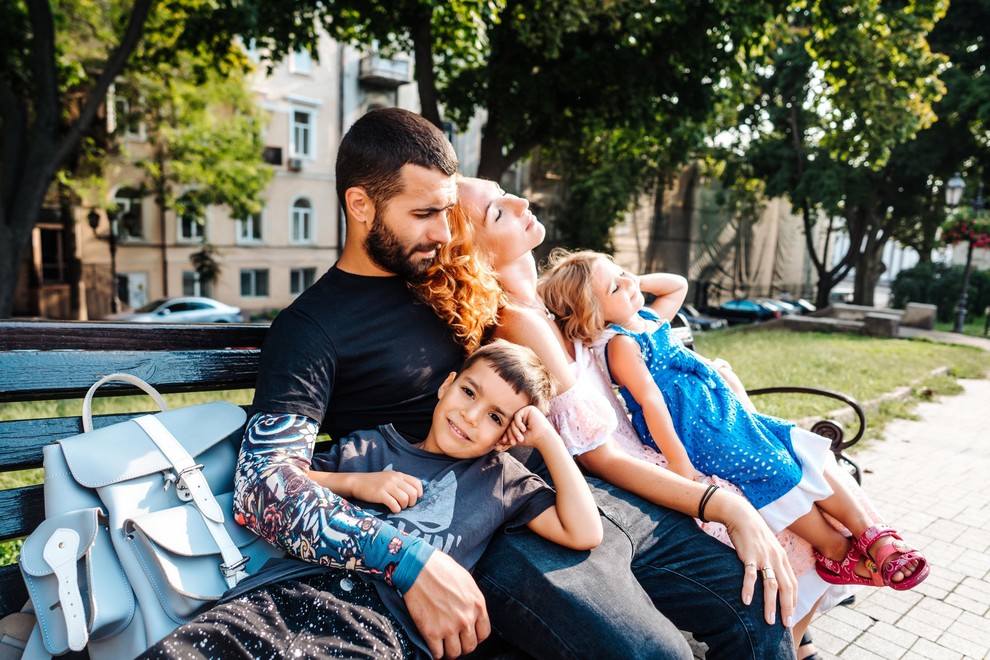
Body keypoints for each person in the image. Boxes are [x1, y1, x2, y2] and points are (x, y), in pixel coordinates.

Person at [142, 108, 787, 660]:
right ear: (361, 206)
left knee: (758, 609)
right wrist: (407, 559)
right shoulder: (312, 327)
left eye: (449, 213)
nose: (445, 233)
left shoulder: (449, 278)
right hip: (489, 529)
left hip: (572, 488)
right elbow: (264, 488)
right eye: (425, 214)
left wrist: (717, 500)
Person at [421, 176, 799, 658]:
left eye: (505, 192)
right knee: (742, 608)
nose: (520, 200)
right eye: (497, 211)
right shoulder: (517, 324)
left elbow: (644, 318)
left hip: (633, 482)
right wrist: (721, 505)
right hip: (584, 497)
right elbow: (599, 458)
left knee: (762, 607)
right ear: (477, 255)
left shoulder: (549, 303)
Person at [536, 248, 931, 598]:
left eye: (622, 271)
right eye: (614, 289)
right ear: (595, 313)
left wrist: (625, 283)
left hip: (723, 413)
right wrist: (680, 465)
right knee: (771, 470)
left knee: (794, 445)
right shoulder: (622, 343)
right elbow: (652, 404)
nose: (627, 282)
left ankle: (869, 535)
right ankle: (837, 552)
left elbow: (678, 285)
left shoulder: (645, 318)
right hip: (701, 432)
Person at [304, 340, 601, 657]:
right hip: (301, 595)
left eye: (495, 418)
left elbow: (585, 531)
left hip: (382, 637)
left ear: (506, 438)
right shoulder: (370, 448)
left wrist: (546, 438)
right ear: (447, 385)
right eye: (469, 392)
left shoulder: (499, 480)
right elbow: (282, 481)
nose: (471, 415)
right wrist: (354, 483)